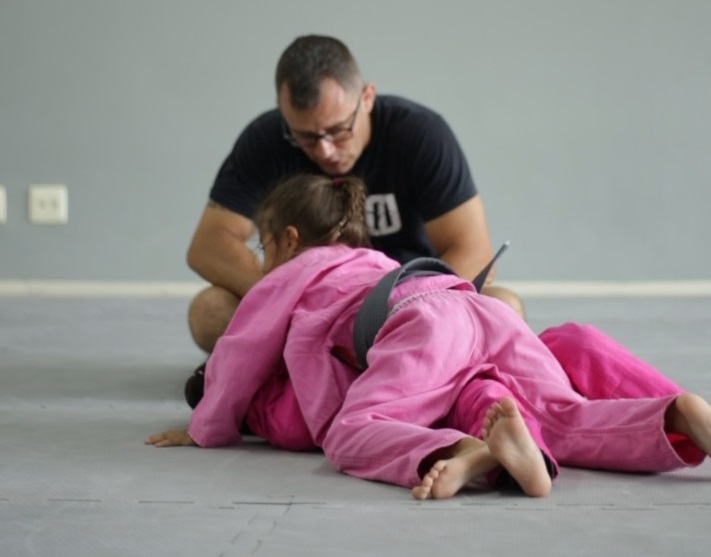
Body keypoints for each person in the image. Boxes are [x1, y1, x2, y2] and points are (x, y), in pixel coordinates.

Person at [147, 174, 711, 500]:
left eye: (262, 249)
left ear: (287, 240)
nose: (262, 262)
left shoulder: (295, 271)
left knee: (350, 433)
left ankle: (462, 450)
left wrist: (208, 428)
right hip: (474, 305)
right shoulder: (372, 258)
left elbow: (244, 349)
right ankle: (675, 413)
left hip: (421, 327)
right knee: (564, 414)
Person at [186, 34, 523, 354]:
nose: (325, 151)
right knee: (210, 311)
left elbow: (473, 249)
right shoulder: (264, 139)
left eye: (338, 130)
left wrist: (393, 307)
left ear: (367, 98)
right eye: (304, 136)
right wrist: (284, 295)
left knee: (505, 306)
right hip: (303, 310)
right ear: (282, 111)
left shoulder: (419, 134)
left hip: (408, 302)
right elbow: (209, 245)